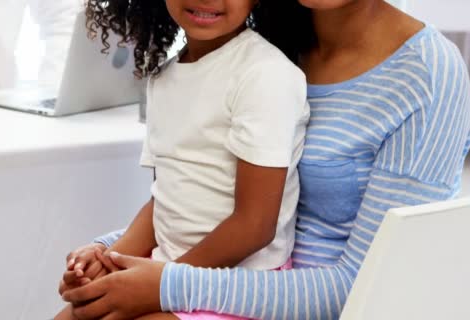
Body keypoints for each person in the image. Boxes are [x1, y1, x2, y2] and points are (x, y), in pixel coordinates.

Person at [59, 0, 470, 319]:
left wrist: (168, 284)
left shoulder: (427, 74)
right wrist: (113, 253)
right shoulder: (268, 38)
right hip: (212, 283)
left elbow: (371, 287)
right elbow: (200, 192)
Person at [55, 0, 311, 319]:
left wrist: (161, 286)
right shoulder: (163, 78)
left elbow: (255, 226)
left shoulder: (266, 75)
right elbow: (166, 199)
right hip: (171, 271)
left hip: (238, 289)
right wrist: (109, 261)